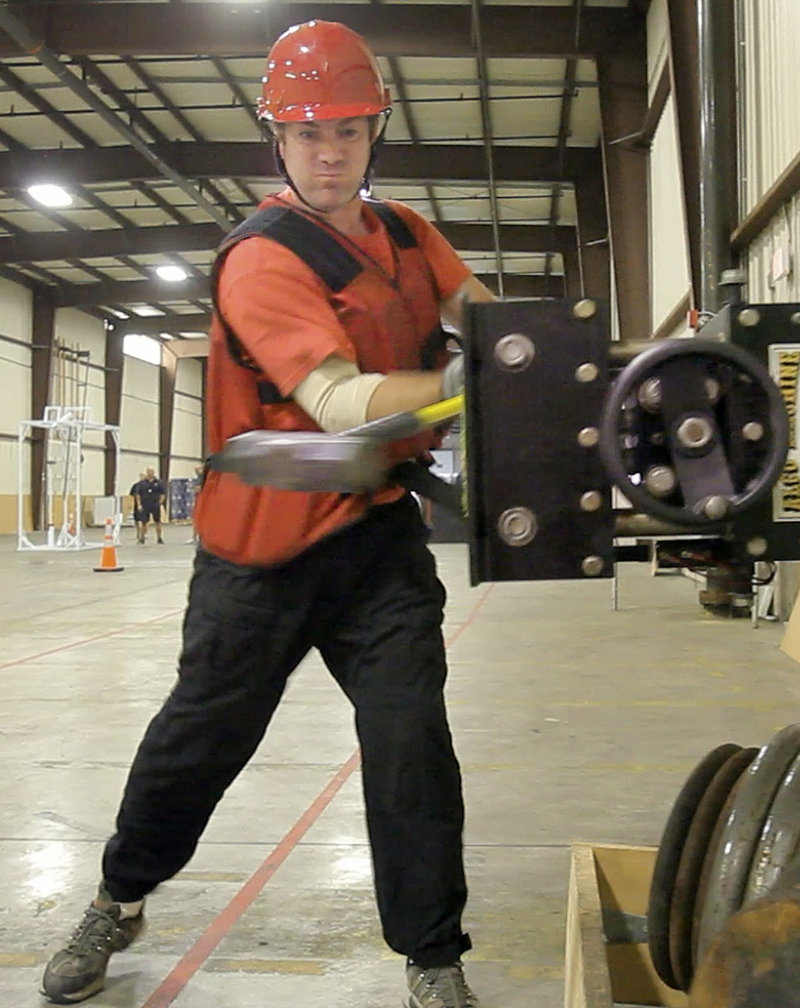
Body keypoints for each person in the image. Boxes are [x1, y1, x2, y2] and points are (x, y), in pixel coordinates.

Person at [40, 19, 495, 1008]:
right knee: (200, 741)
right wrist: (472, 394)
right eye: (306, 132)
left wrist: (543, 357)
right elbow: (336, 402)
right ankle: (119, 898)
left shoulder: (412, 237)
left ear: (374, 129)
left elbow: (492, 327)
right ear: (275, 138)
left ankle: (432, 956)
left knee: (410, 738)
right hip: (262, 549)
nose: (328, 151)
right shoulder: (260, 257)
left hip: (374, 538)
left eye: (345, 129)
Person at [135, 467, 166, 544]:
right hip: (145, 504)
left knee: (157, 521)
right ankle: (142, 538)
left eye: (151, 471)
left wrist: (160, 503)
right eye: (148, 471)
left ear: (154, 472)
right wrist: (139, 505)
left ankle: (159, 538)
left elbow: (163, 494)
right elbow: (138, 495)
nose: (150, 473)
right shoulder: (142, 483)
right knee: (143, 522)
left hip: (155, 504)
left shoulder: (159, 482)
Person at [128, 472, 145, 543]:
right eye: (141, 476)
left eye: (143, 476)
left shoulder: (147, 485)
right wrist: (130, 504)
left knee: (144, 520)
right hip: (136, 505)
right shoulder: (136, 485)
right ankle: (138, 532)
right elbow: (131, 495)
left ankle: (143, 533)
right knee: (136, 519)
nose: (142, 478)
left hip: (145, 504)